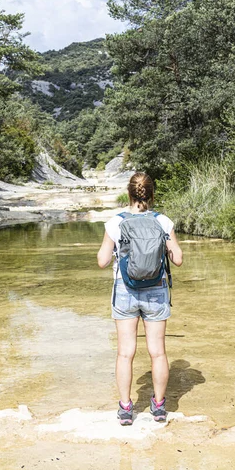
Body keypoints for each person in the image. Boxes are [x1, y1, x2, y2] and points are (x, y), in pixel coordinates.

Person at [97, 172, 183, 425]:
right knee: (157, 352)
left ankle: (126, 409)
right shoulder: (163, 221)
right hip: (157, 290)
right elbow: (177, 259)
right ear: (151, 194)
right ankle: (158, 407)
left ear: (129, 193)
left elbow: (102, 261)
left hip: (125, 290)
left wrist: (117, 252)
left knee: (125, 353)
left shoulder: (115, 222)